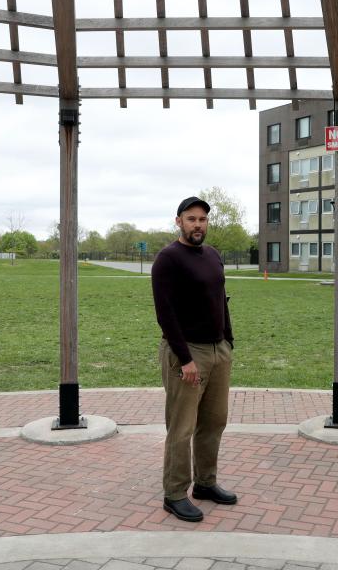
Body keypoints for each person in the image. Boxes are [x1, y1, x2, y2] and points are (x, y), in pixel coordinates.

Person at [151, 196, 236, 522]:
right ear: (179, 222)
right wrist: (185, 359)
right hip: (186, 353)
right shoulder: (167, 259)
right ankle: (174, 494)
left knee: (214, 421)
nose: (197, 225)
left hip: (218, 351)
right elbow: (165, 314)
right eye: (191, 219)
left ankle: (205, 483)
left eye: (202, 219)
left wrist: (227, 340)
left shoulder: (213, 256)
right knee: (181, 427)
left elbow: (221, 300)